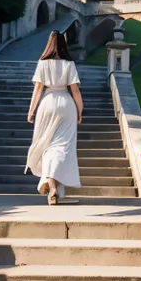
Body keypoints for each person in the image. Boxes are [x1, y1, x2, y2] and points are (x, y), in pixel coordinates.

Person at [24, 30, 83, 205]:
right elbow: (76, 91)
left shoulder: (42, 63)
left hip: (47, 104)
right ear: (63, 44)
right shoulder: (69, 64)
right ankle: (55, 186)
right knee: (62, 147)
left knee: (48, 145)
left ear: (49, 44)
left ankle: (51, 184)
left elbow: (38, 90)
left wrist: (31, 110)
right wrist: (80, 111)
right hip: (66, 104)